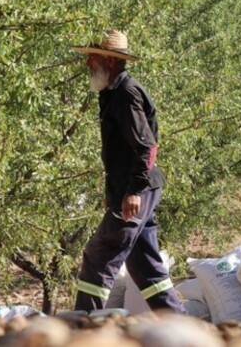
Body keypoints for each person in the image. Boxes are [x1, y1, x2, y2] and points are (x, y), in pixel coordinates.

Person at [70, 30, 185, 313]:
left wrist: (133, 191)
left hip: (139, 190)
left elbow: (146, 147)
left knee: (99, 256)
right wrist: (116, 192)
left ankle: (84, 329)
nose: (88, 65)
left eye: (92, 58)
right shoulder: (112, 92)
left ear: (110, 61)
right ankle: (184, 330)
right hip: (136, 190)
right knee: (146, 269)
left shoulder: (125, 93)